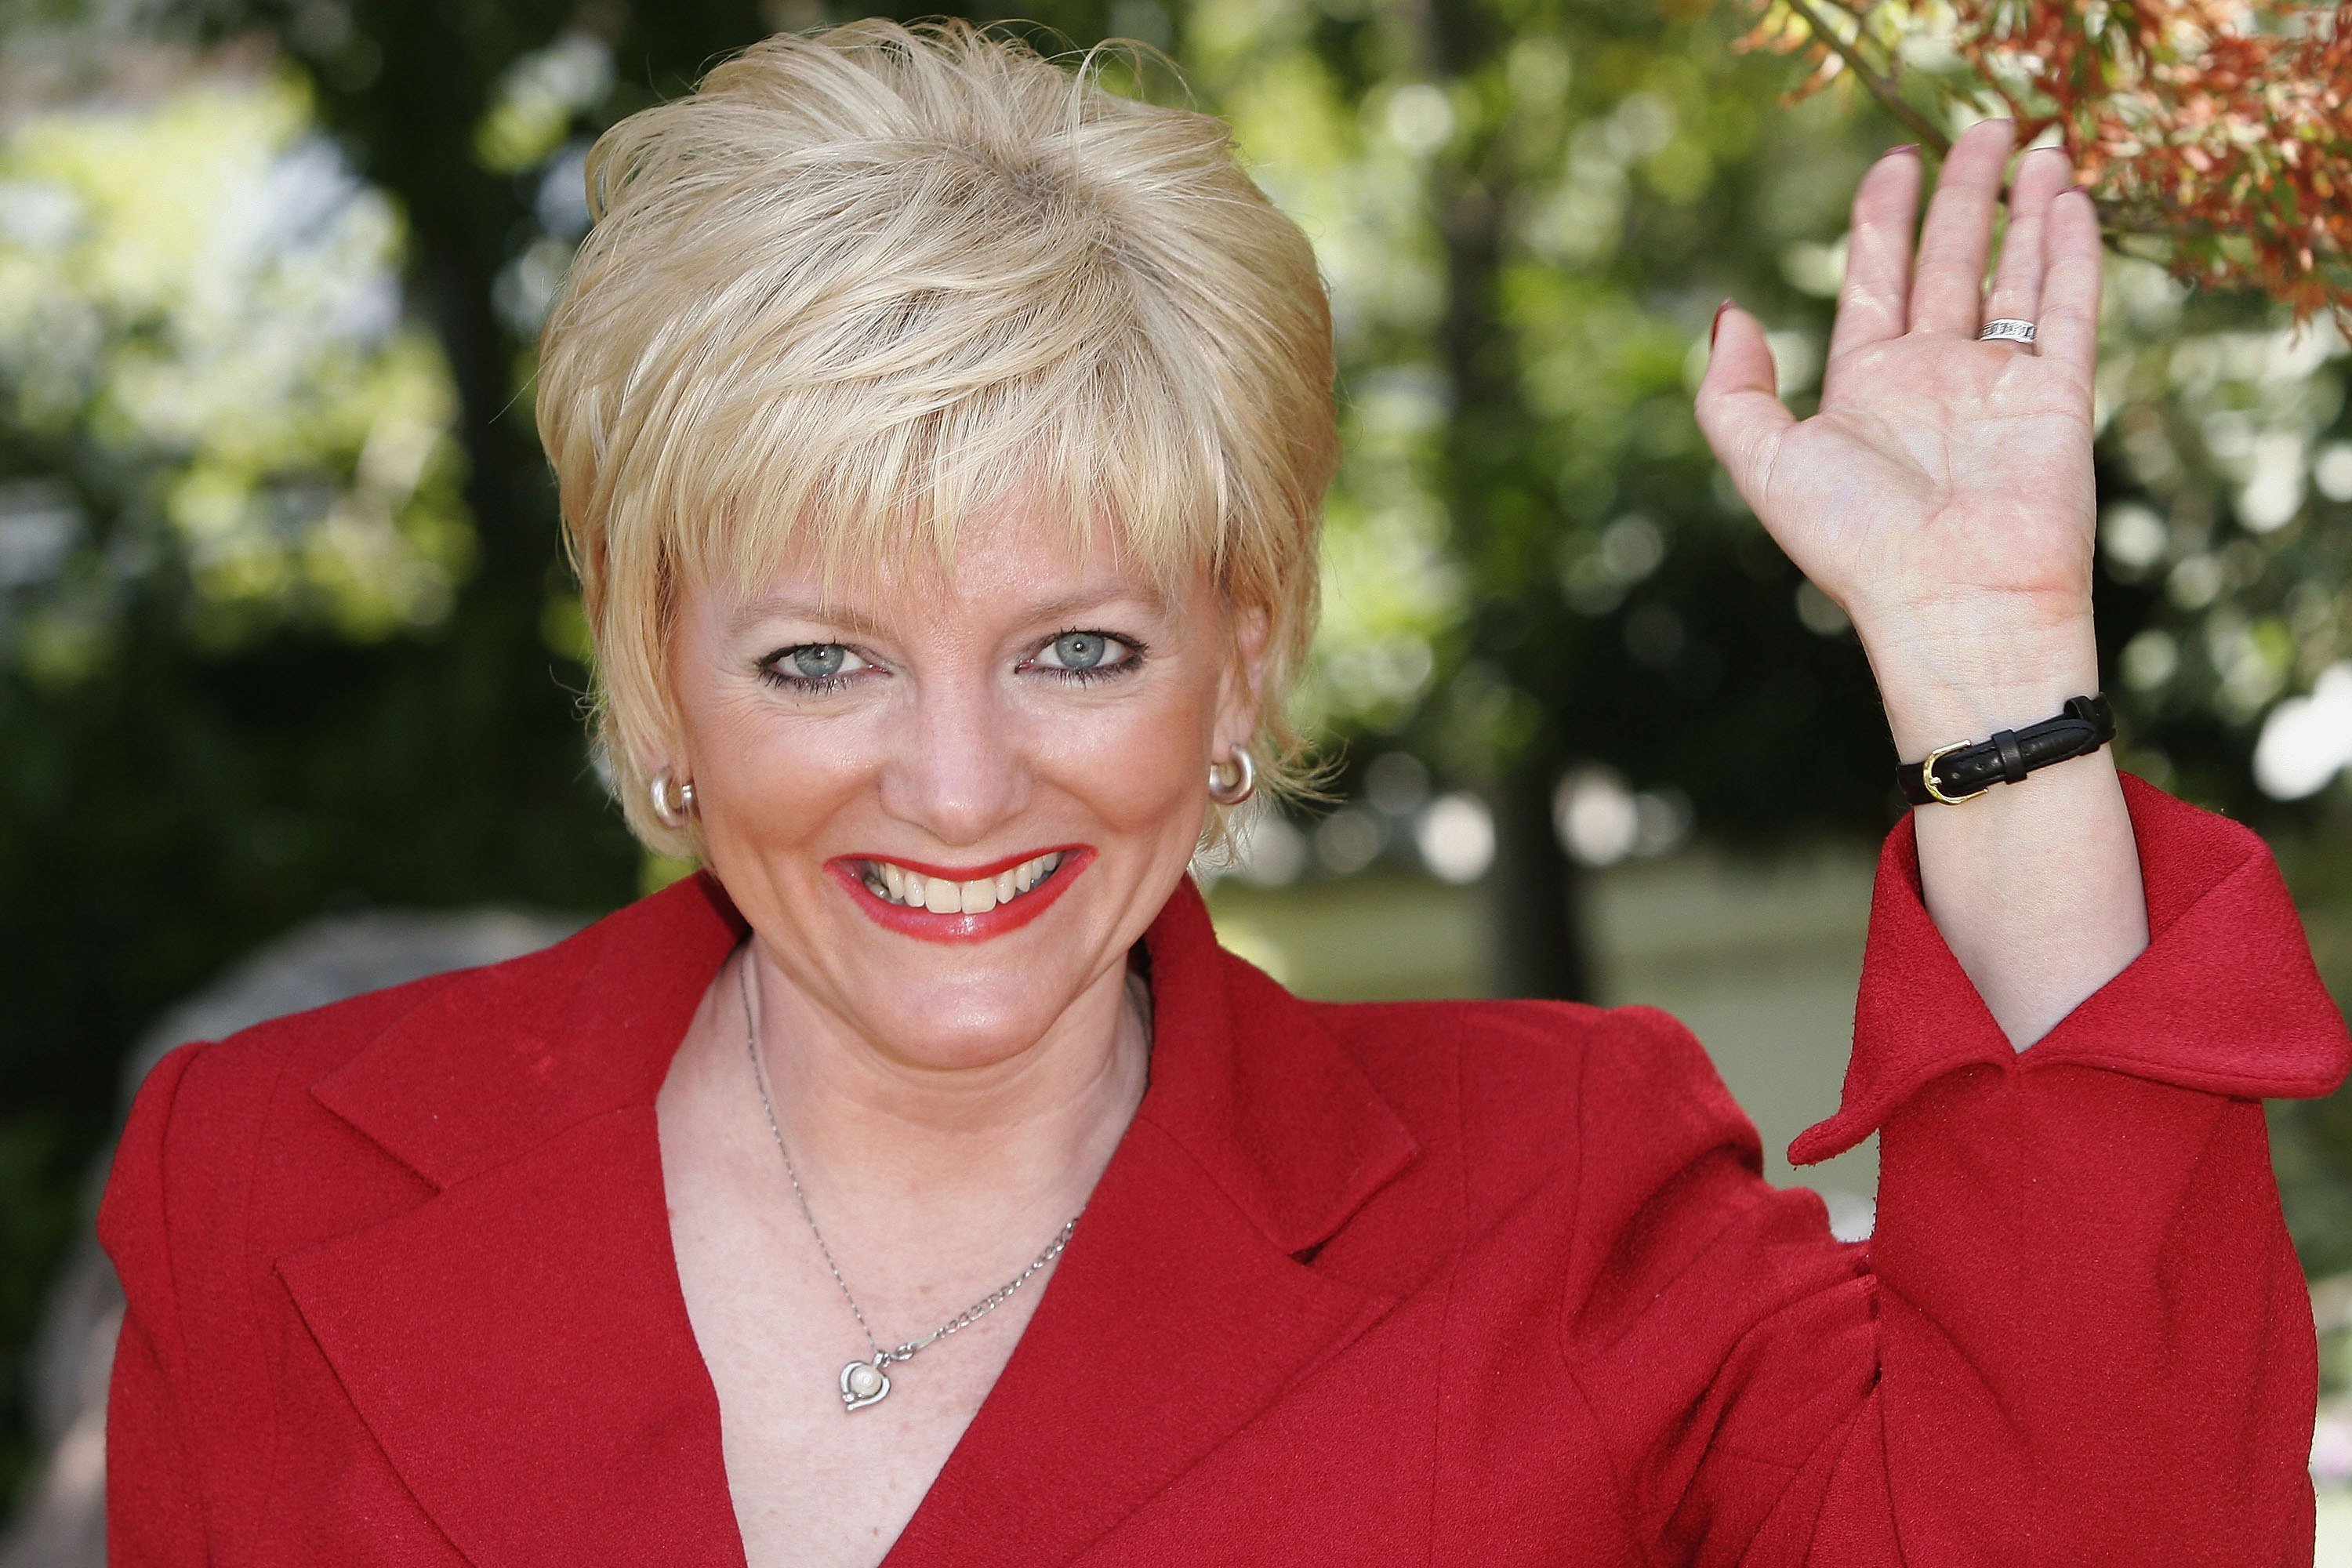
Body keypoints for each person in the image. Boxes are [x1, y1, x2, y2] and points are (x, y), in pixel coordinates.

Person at [99, 19, 2350, 1567]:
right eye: (821, 659)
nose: (961, 784)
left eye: (1081, 647)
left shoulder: (1548, 1196)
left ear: (1242, 659)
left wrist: (1997, 702)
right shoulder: (267, 1180)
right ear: (651, 664)